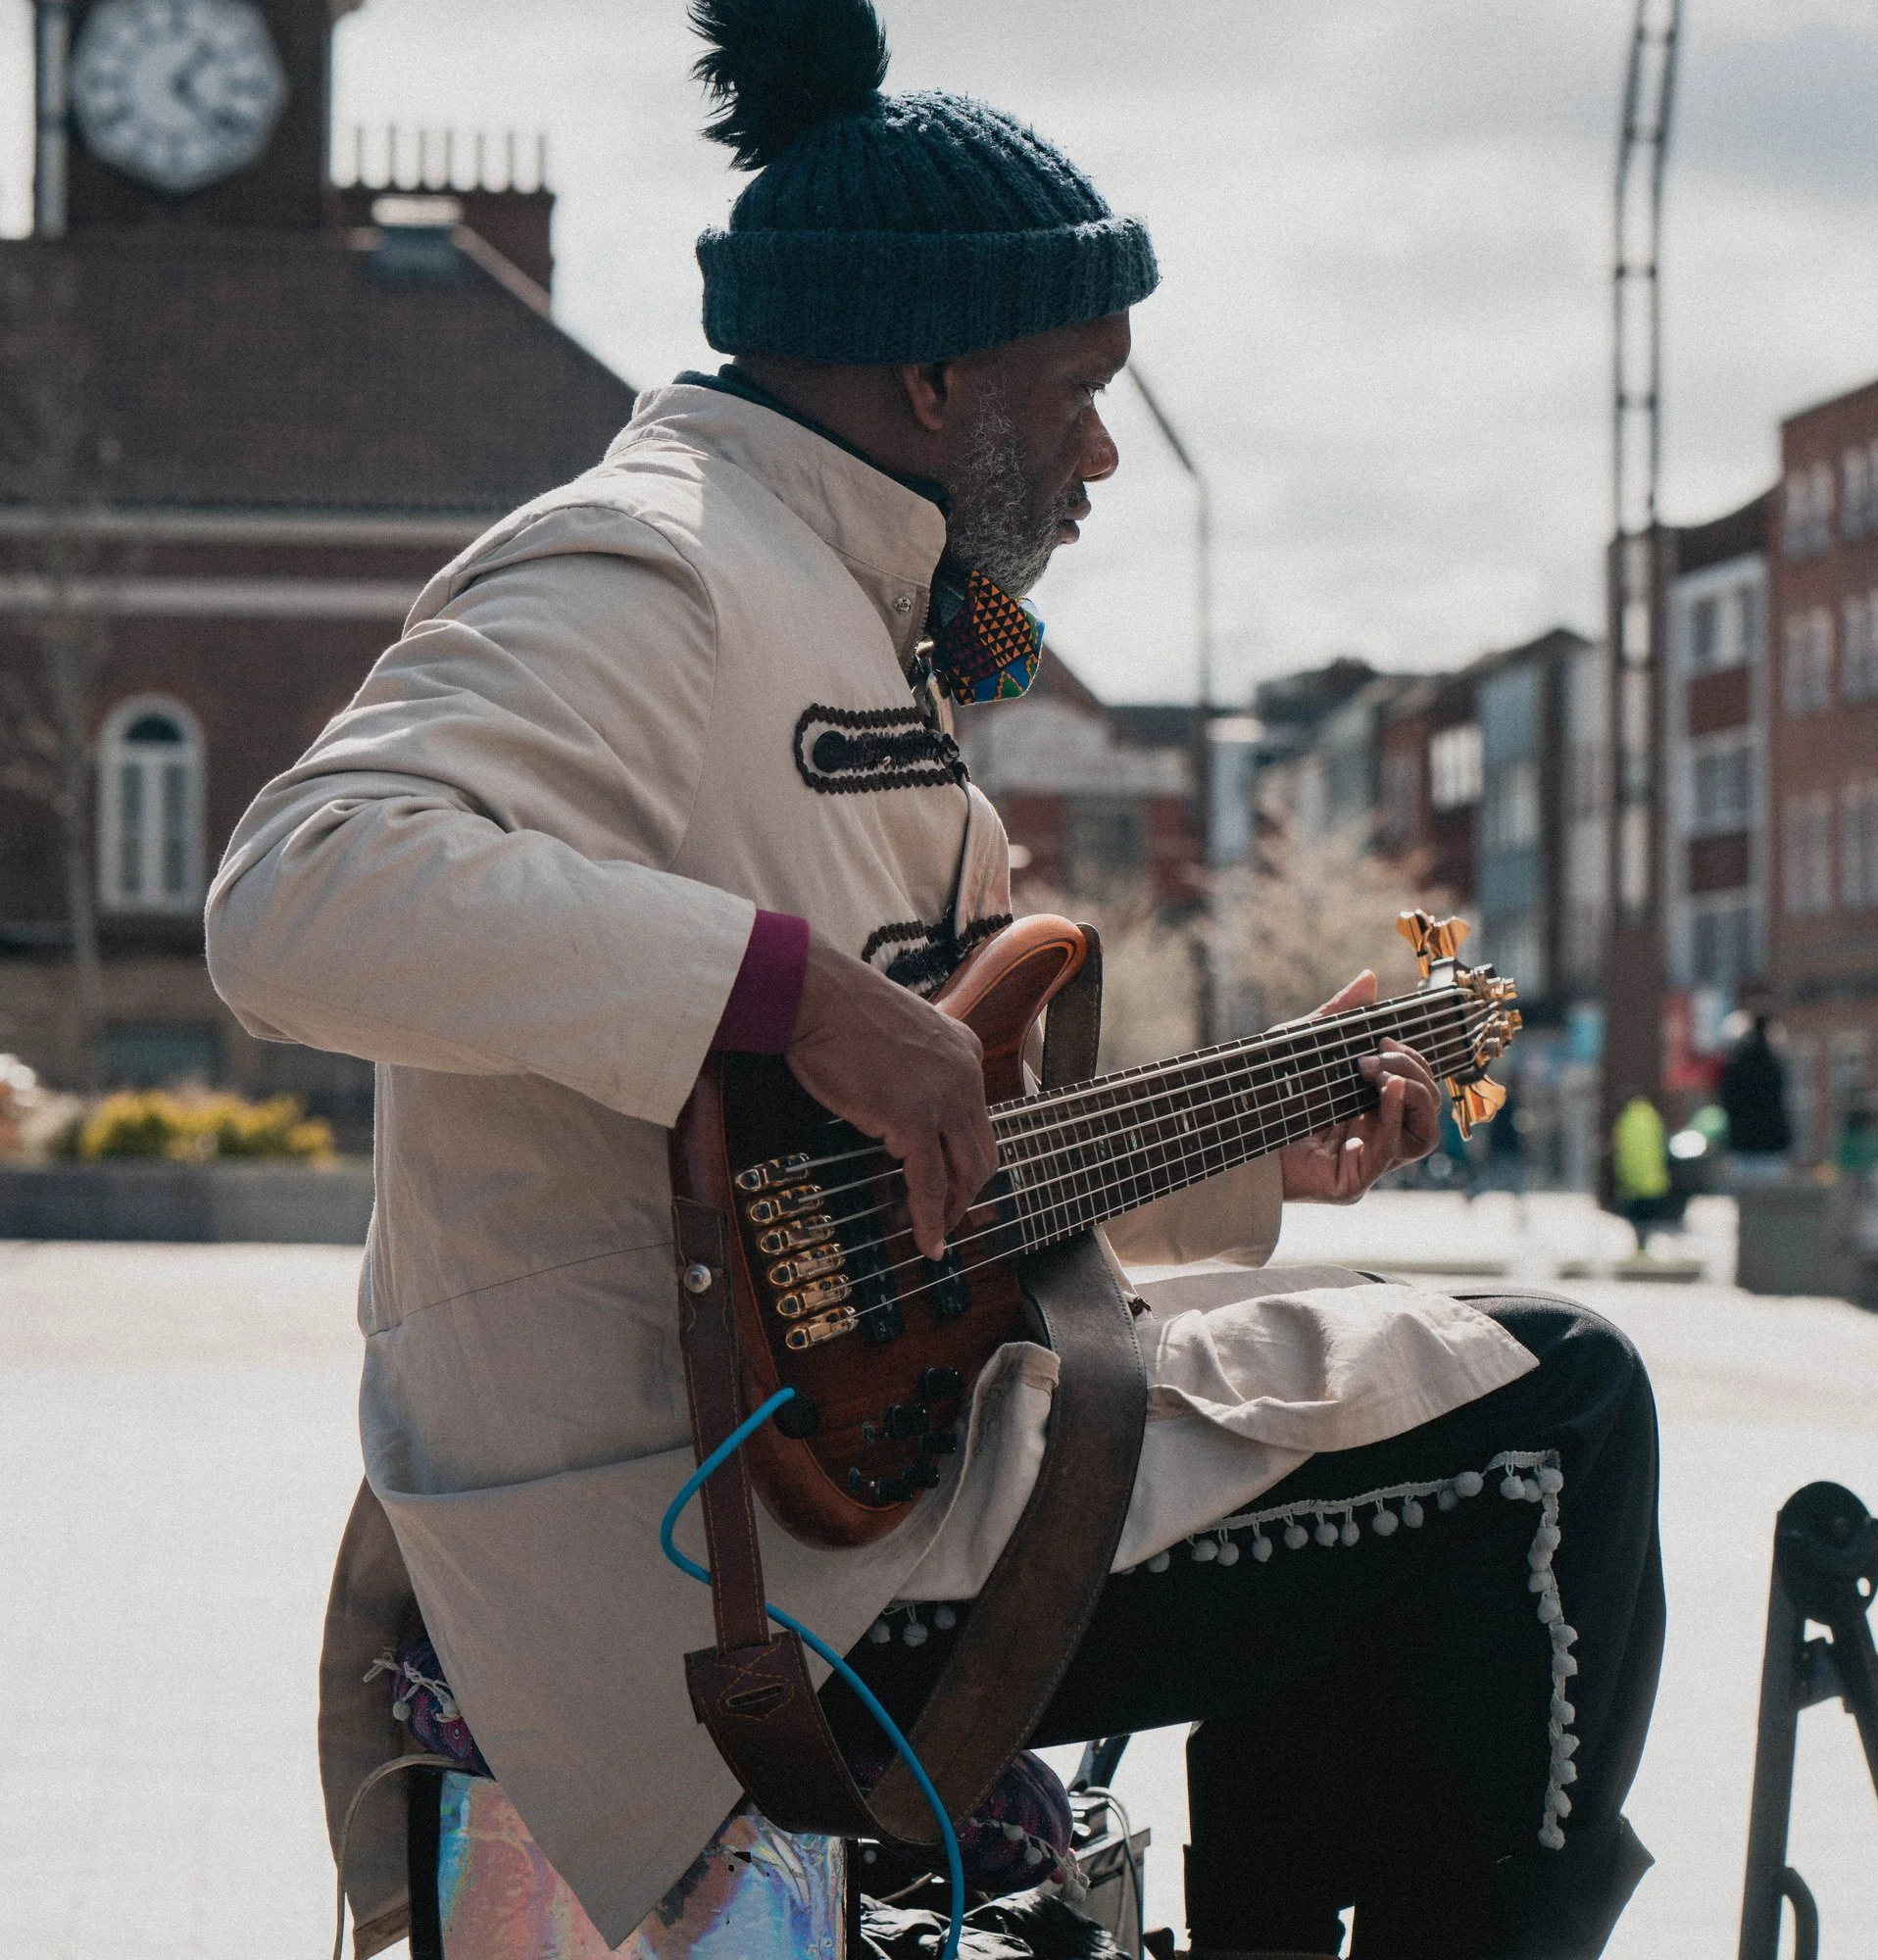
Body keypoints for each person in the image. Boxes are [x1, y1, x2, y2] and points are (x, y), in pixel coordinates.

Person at [204, 6, 1663, 1957]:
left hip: (850, 1501)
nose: (1100, 453)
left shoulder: (840, 610)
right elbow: (296, 891)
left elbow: (879, 1212)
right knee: (1544, 1424)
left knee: (1414, 1419)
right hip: (694, 1573)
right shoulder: (654, 570)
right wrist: (797, 989)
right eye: (1071, 392)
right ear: (927, 379)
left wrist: (1257, 1153)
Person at [1716, 991, 1793, 1184]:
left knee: (1750, 1204)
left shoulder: (1735, 1066)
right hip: (1769, 1146)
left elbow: (1726, 1101)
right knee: (1772, 1205)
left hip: (1745, 1146)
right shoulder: (1773, 1064)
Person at [1610, 1095, 1680, 1250]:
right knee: (1648, 1220)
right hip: (1654, 1179)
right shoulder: (1653, 1117)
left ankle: (1640, 1246)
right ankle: (1643, 1246)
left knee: (1636, 1219)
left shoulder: (1625, 1121)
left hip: (1632, 1180)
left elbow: (1620, 1151)